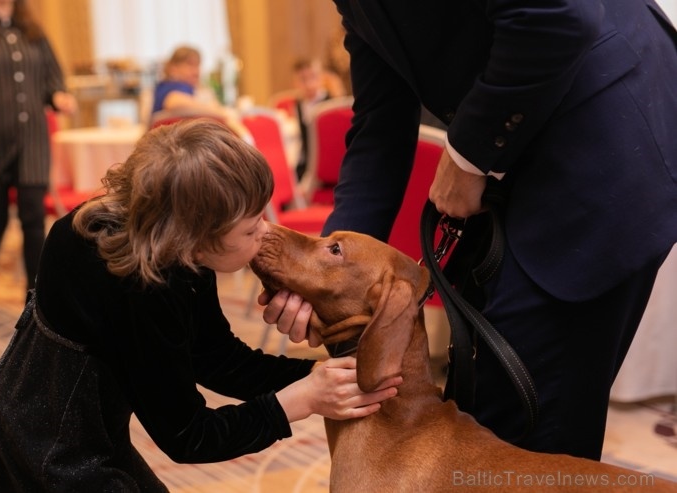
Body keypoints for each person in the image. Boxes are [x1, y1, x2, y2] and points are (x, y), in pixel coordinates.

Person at [261, 0, 677, 461]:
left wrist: (468, 157)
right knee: (482, 420)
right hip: (519, 166)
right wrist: (323, 270)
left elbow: (557, 16)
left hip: (599, 139)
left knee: (522, 443)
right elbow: (380, 127)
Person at [0, 120, 400, 490]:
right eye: (250, 230)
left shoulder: (164, 241)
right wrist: (301, 400)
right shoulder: (139, 286)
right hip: (54, 442)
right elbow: (189, 436)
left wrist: (315, 375)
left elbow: (214, 357)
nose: (265, 234)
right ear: (194, 238)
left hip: (84, 421)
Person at [0, 0, 77, 304]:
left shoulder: (31, 27)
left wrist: (59, 95)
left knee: (33, 218)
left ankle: (34, 297)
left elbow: (52, 75)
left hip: (32, 140)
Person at [150, 45, 247, 137]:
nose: (196, 71)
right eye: (190, 65)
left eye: (198, 65)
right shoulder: (172, 86)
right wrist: (221, 112)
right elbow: (174, 102)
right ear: (173, 68)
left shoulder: (189, 89)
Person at [290, 57, 346, 180]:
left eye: (313, 77)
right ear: (295, 83)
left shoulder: (331, 104)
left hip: (328, 163)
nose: (309, 84)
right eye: (303, 80)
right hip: (308, 162)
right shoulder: (298, 105)